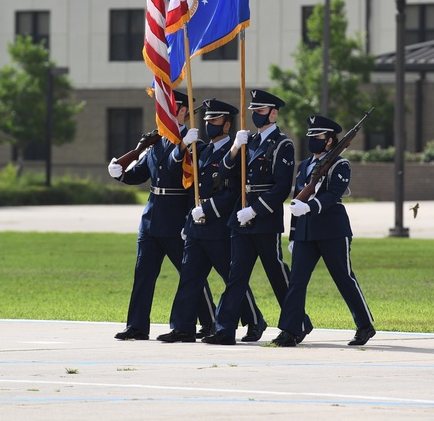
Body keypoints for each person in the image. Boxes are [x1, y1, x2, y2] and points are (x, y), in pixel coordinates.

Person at [201, 89, 310, 345]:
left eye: (260, 112)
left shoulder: (283, 144)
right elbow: (226, 172)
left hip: (264, 218)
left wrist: (255, 209)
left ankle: (296, 326)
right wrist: (235, 148)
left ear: (273, 113)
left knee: (277, 274)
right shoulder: (247, 141)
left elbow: (281, 187)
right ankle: (224, 329)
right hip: (241, 217)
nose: (256, 116)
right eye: (254, 112)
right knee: (236, 274)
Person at [156, 98, 267, 343]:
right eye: (206, 120)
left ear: (227, 126)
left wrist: (209, 209)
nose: (209, 124)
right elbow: (177, 174)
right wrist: (183, 146)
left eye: (214, 120)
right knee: (189, 277)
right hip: (197, 223)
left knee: (231, 278)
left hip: (220, 224)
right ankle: (182, 327)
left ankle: (254, 320)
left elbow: (234, 191)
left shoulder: (238, 151)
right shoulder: (202, 150)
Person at [109, 90, 216, 340]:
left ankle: (210, 321)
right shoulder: (157, 141)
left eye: (168, 110)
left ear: (181, 111)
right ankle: (136, 325)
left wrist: (190, 218)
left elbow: (193, 186)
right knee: (143, 274)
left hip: (177, 218)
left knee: (191, 274)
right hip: (151, 218)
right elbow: (142, 174)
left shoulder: (194, 144)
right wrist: (121, 173)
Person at [272, 114, 375, 347]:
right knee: (297, 281)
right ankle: (291, 329)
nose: (312, 140)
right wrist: (294, 234)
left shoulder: (340, 164)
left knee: (343, 279)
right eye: (310, 136)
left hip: (332, 230)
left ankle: (365, 325)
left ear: (330, 140)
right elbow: (298, 202)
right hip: (306, 233)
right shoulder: (304, 165)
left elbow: (333, 195)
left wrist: (310, 206)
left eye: (317, 136)